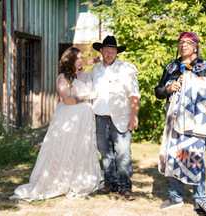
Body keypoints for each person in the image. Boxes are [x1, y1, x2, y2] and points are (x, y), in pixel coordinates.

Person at [9, 47, 103, 202]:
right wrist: (87, 96)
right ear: (69, 60)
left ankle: (81, 178)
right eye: (77, 58)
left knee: (83, 146)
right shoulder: (63, 77)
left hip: (86, 117)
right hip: (69, 117)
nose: (81, 60)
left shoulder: (87, 75)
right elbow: (67, 99)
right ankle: (61, 179)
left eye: (81, 58)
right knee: (65, 145)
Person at [155, 31, 206, 214]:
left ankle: (200, 199)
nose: (183, 44)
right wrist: (169, 88)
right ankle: (175, 197)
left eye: (188, 42)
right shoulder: (171, 67)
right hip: (174, 118)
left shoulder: (205, 66)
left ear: (195, 46)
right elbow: (158, 91)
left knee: (195, 157)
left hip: (198, 120)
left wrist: (196, 82)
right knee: (175, 155)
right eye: (180, 42)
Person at [91, 35, 141, 201]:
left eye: (113, 52)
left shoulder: (127, 68)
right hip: (99, 117)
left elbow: (134, 95)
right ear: (101, 51)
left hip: (121, 117)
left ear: (117, 52)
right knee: (105, 153)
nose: (110, 54)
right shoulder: (95, 69)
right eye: (107, 51)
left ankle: (125, 187)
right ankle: (110, 183)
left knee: (123, 153)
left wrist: (134, 116)